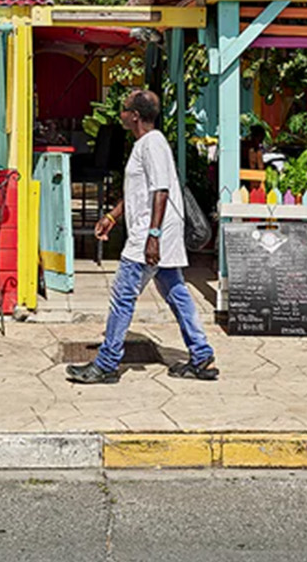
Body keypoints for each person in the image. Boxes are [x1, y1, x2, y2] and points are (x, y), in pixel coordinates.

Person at [67, 89, 218, 385]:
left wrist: (153, 237)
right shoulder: (145, 144)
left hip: (152, 233)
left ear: (134, 115)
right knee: (175, 292)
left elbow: (160, 190)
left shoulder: (153, 144)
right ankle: (200, 354)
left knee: (123, 295)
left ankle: (107, 363)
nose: (120, 113)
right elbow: (141, 192)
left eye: (124, 109)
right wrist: (113, 216)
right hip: (155, 230)